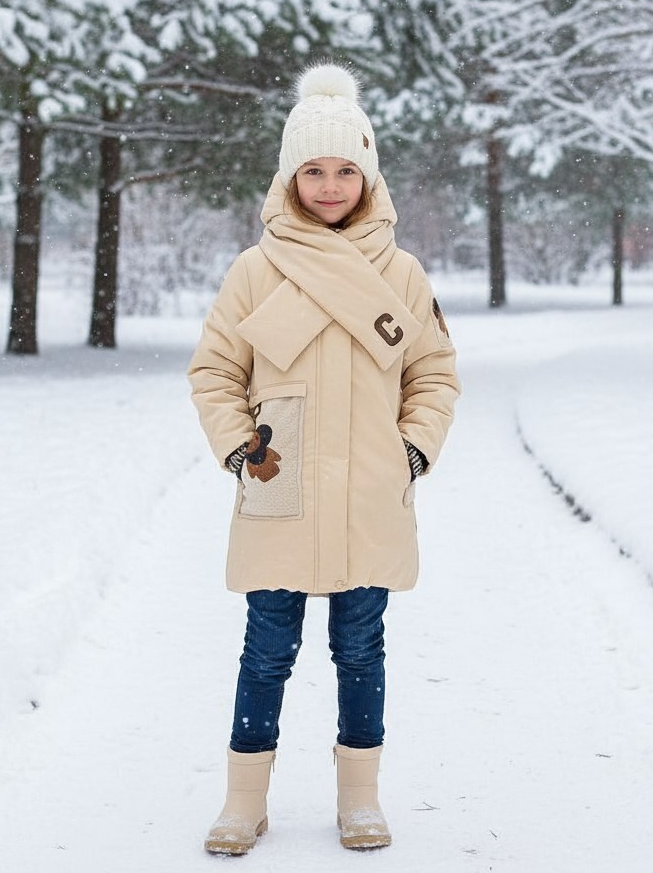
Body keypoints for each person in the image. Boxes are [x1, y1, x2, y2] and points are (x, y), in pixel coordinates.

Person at [187, 62, 459, 855]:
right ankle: (243, 803)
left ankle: (360, 799)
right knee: (267, 650)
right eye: (314, 170)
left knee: (360, 649)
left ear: (368, 175)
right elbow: (214, 372)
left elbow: (434, 374)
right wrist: (241, 449)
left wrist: (410, 452)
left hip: (370, 490)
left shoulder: (401, 273)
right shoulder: (256, 269)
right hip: (281, 482)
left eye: (345, 170)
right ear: (289, 176)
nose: (330, 186)